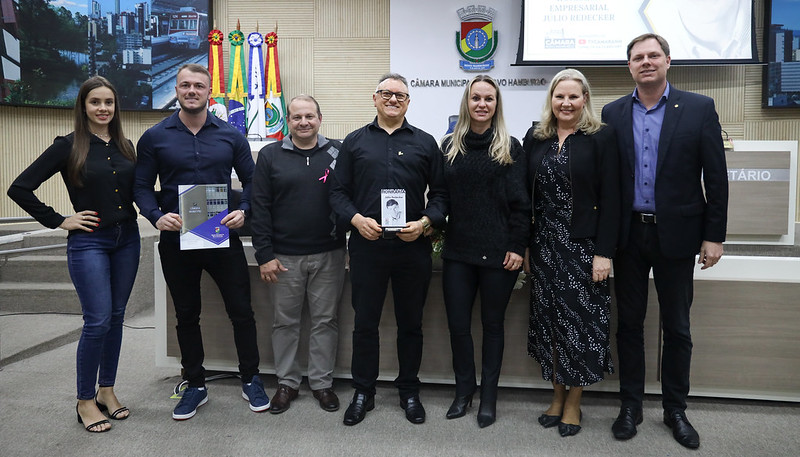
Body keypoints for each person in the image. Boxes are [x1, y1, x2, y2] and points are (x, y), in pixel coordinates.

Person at [601, 34, 728, 449]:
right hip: (629, 235)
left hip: (678, 234)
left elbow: (716, 178)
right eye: (638, 57)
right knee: (629, 325)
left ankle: (675, 409)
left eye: (653, 55)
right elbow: (609, 182)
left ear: (668, 61)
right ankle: (631, 406)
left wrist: (714, 236)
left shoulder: (698, 108)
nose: (646, 62)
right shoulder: (613, 112)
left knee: (677, 326)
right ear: (629, 66)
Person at [134, 63, 270, 420]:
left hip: (221, 235)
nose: (191, 91)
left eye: (198, 85)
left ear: (209, 92)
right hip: (176, 237)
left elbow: (253, 181)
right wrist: (154, 215)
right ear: (176, 90)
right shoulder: (154, 136)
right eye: (185, 85)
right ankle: (195, 384)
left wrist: (244, 210)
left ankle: (251, 378)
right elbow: (141, 186)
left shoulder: (230, 136)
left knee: (241, 311)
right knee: (186, 314)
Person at [7, 76, 140, 433]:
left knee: (116, 317)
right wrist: (59, 220)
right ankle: (84, 401)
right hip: (89, 242)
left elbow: (138, 192)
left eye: (108, 102)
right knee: (97, 321)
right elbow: (19, 187)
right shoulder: (67, 146)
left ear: (116, 106)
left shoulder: (126, 145)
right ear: (83, 106)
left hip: (128, 239)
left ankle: (106, 391)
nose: (103, 108)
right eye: (95, 102)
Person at [329, 73, 447, 426]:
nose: (393, 99)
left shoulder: (425, 143)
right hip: (368, 247)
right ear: (375, 98)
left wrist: (425, 223)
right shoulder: (354, 142)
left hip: (412, 249)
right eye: (386, 93)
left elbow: (442, 195)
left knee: (411, 324)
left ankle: (409, 391)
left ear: (408, 102)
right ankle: (363, 392)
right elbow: (337, 192)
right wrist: (356, 219)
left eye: (400, 95)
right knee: (365, 323)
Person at [523, 69, 620, 437]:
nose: (566, 103)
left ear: (585, 99)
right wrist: (525, 245)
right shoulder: (537, 137)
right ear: (551, 99)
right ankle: (557, 396)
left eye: (573, 97)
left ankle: (574, 402)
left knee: (579, 326)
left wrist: (604, 252)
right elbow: (524, 196)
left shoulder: (601, 137)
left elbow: (612, 198)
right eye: (559, 96)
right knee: (548, 323)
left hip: (584, 248)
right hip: (544, 247)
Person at [440, 75, 529, 428]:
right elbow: (441, 196)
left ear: (496, 104)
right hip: (458, 252)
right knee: (458, 326)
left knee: (493, 326)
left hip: (499, 254)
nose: (481, 104)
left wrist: (517, 246)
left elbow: (522, 204)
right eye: (475, 98)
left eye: (488, 99)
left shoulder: (510, 146)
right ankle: (464, 391)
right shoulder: (450, 146)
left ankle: (488, 397)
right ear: (467, 102)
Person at [250, 95, 346, 414]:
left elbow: (350, 197)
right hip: (283, 257)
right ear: (287, 121)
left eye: (309, 116)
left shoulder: (338, 152)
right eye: (296, 117)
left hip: (330, 253)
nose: (303, 122)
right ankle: (287, 383)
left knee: (326, 321)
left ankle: (321, 383)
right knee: (285, 322)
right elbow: (260, 206)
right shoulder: (270, 155)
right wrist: (264, 254)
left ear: (320, 119)